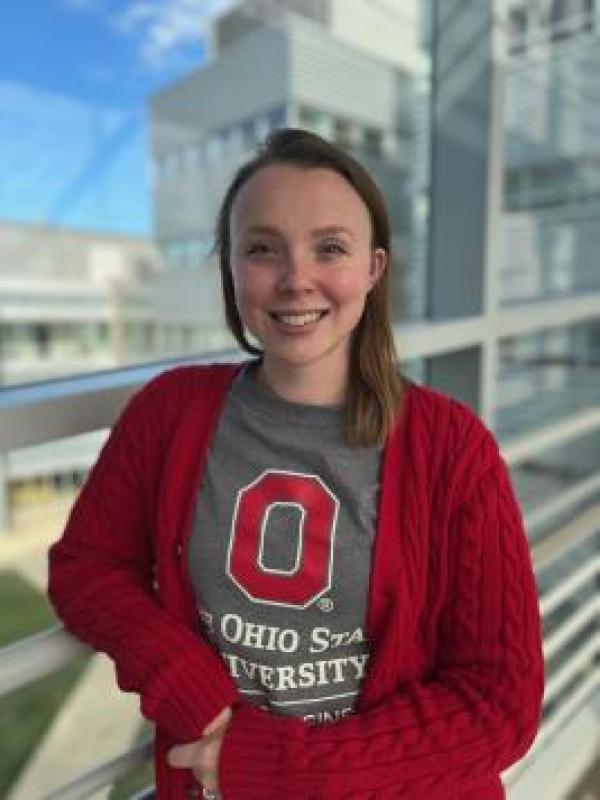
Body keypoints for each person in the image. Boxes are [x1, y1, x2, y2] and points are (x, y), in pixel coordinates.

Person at [48, 128, 544, 800]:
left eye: (329, 248)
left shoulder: (452, 447)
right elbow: (87, 567)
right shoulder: (170, 412)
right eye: (262, 249)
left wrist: (282, 768)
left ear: (373, 269)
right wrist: (191, 691)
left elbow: (498, 702)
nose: (295, 279)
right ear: (231, 268)